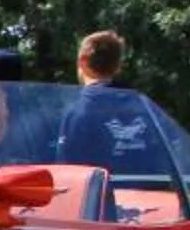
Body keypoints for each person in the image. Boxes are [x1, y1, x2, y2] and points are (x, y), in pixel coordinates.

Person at [59, 27, 173, 176]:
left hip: (103, 198)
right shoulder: (145, 107)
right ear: (118, 66)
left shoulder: (77, 113)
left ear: (83, 61)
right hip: (150, 196)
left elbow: (66, 173)